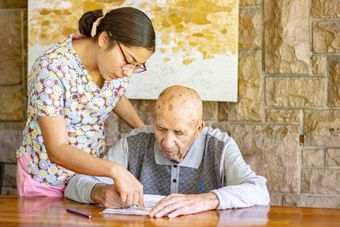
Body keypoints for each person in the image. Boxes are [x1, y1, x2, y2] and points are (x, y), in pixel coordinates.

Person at [16, 7, 155, 206]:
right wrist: (115, 170)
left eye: (137, 66)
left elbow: (114, 94)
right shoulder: (51, 70)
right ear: (105, 39)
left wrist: (144, 131)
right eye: (129, 60)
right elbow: (57, 149)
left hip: (89, 181)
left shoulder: (115, 68)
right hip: (47, 182)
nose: (129, 72)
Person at [65, 85, 270, 218]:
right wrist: (98, 192)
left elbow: (259, 191)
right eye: (161, 129)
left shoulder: (219, 146)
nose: (167, 143)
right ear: (153, 120)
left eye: (179, 133)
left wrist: (204, 200)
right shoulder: (135, 142)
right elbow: (74, 184)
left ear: (199, 129)